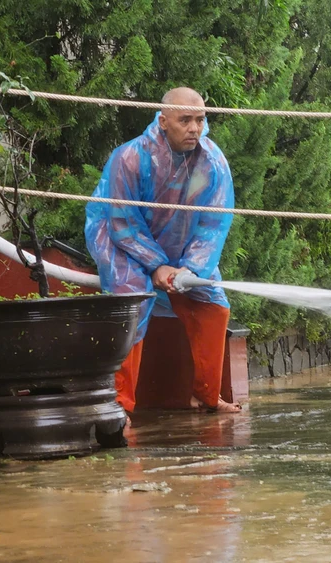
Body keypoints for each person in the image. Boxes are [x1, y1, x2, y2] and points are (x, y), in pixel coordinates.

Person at [84, 87, 242, 417]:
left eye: (200, 120)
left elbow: (213, 225)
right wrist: (156, 265)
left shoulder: (212, 163)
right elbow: (123, 221)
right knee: (132, 297)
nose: (194, 128)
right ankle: (119, 406)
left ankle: (207, 395)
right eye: (185, 120)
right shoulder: (130, 158)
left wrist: (192, 269)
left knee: (213, 303)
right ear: (163, 121)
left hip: (180, 248)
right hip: (119, 240)